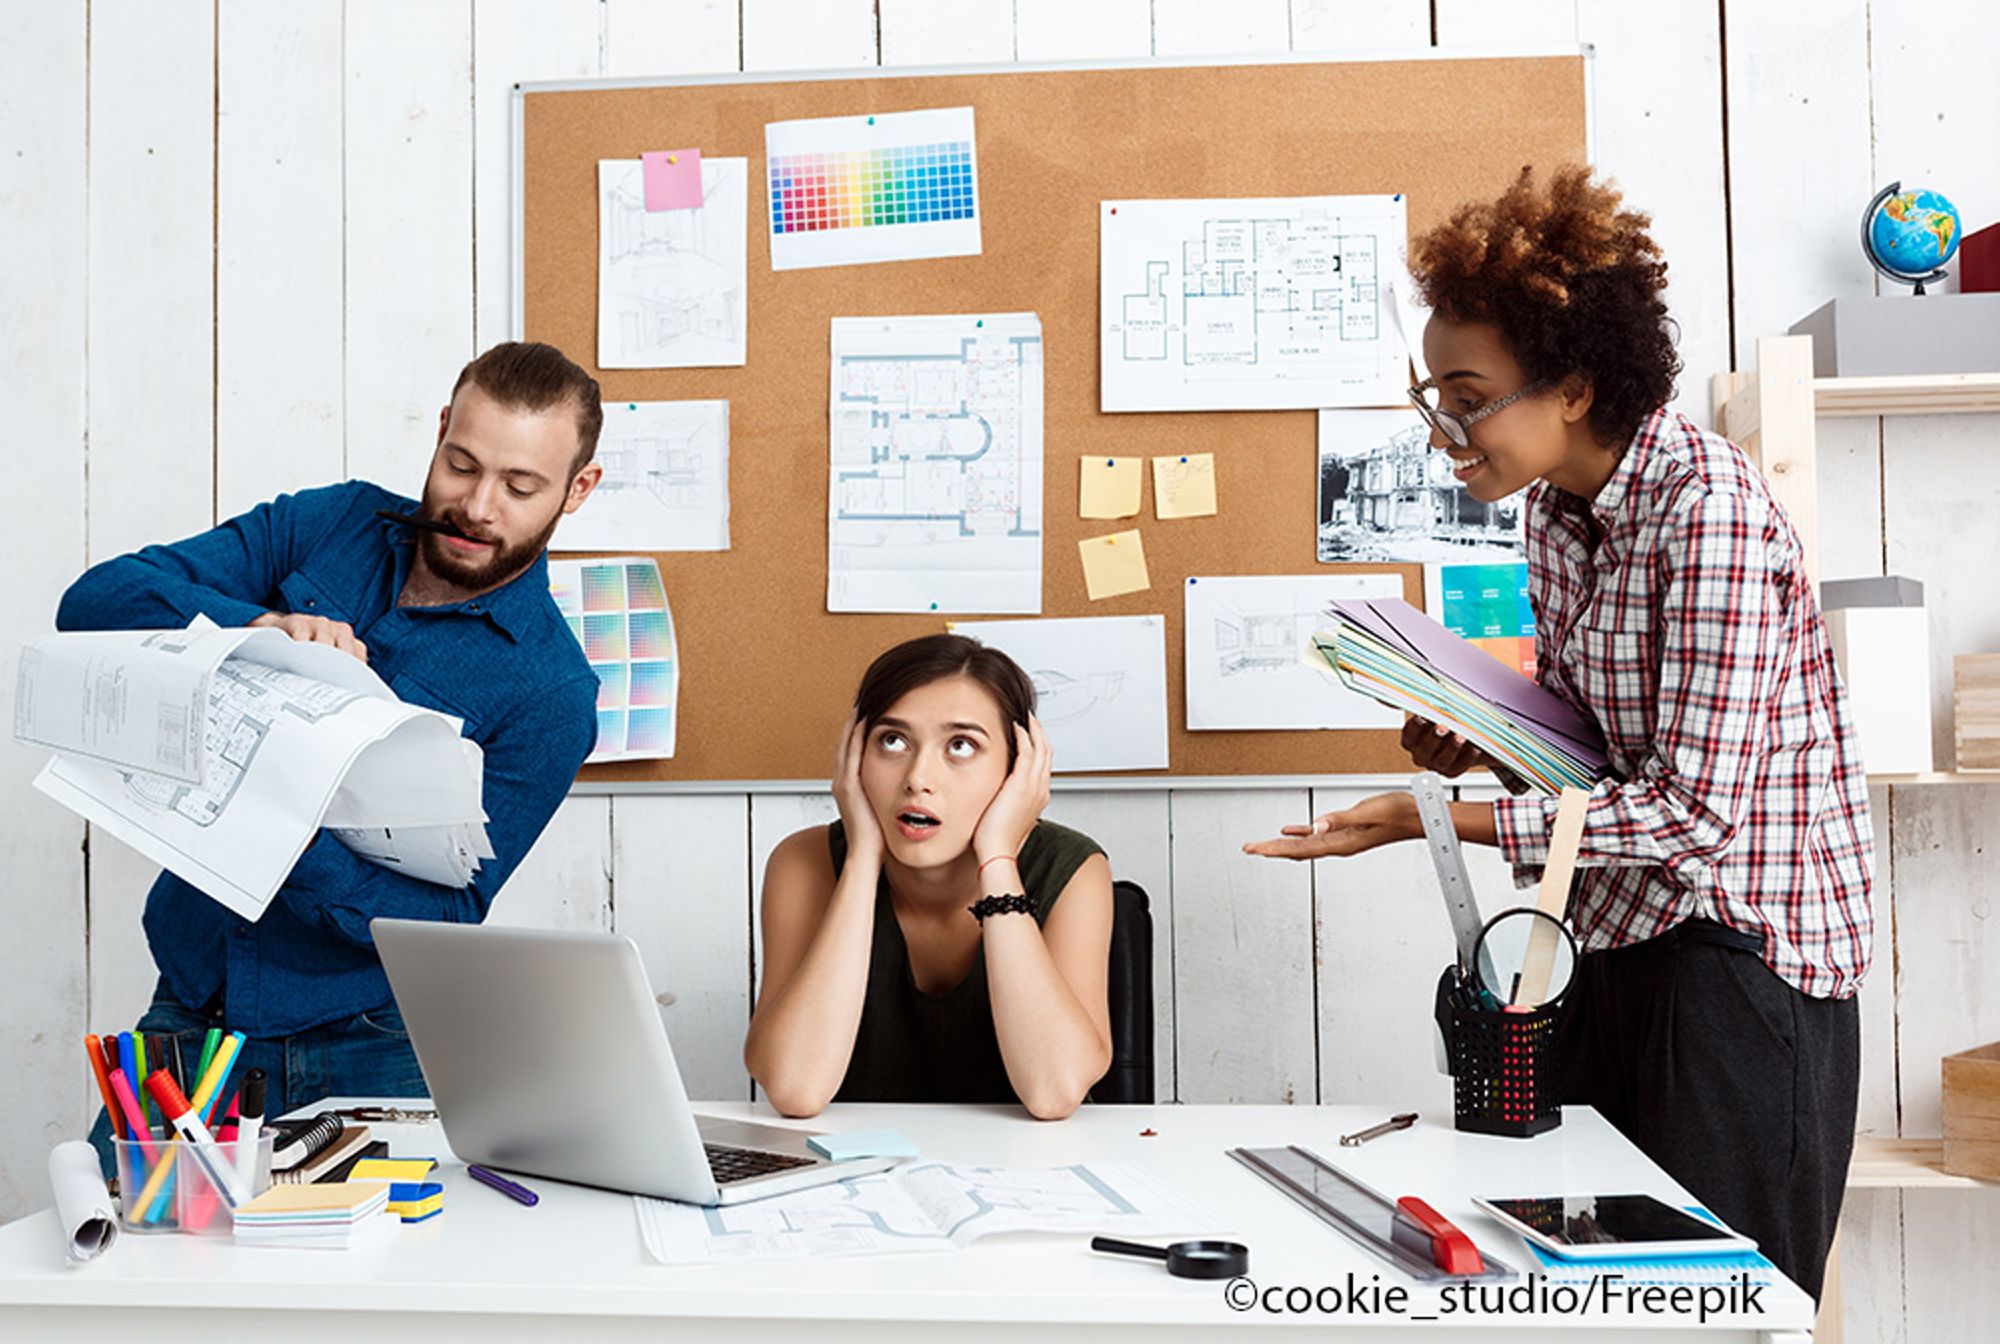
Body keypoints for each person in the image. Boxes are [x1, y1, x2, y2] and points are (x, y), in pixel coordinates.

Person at [1245, 167, 1872, 1301]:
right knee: (1578, 1299)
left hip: (1735, 971)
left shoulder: (1708, 516)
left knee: (1723, 1312)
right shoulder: (1553, 513)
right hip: (1613, 945)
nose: (1444, 429)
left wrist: (1429, 821)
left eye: (1466, 394)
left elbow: (1691, 813)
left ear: (1574, 385)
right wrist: (1484, 740)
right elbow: (1599, 752)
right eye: (1432, 393)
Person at [63, 340, 605, 1135]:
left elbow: (444, 921)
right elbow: (95, 603)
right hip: (190, 1009)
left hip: (368, 1047)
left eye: (522, 486)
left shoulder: (554, 696)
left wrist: (273, 803)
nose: (479, 507)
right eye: (462, 464)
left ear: (577, 489)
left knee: (351, 1263)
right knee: (114, 1242)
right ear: (444, 427)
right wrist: (261, 629)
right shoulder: (331, 522)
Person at [745, 634, 1114, 1120]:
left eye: (961, 745)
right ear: (853, 757)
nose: (918, 777)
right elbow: (796, 1088)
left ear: (1017, 768)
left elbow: (1054, 1092)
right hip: (850, 1175)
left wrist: (998, 860)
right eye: (892, 741)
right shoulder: (803, 863)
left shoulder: (1073, 867)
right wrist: (862, 858)